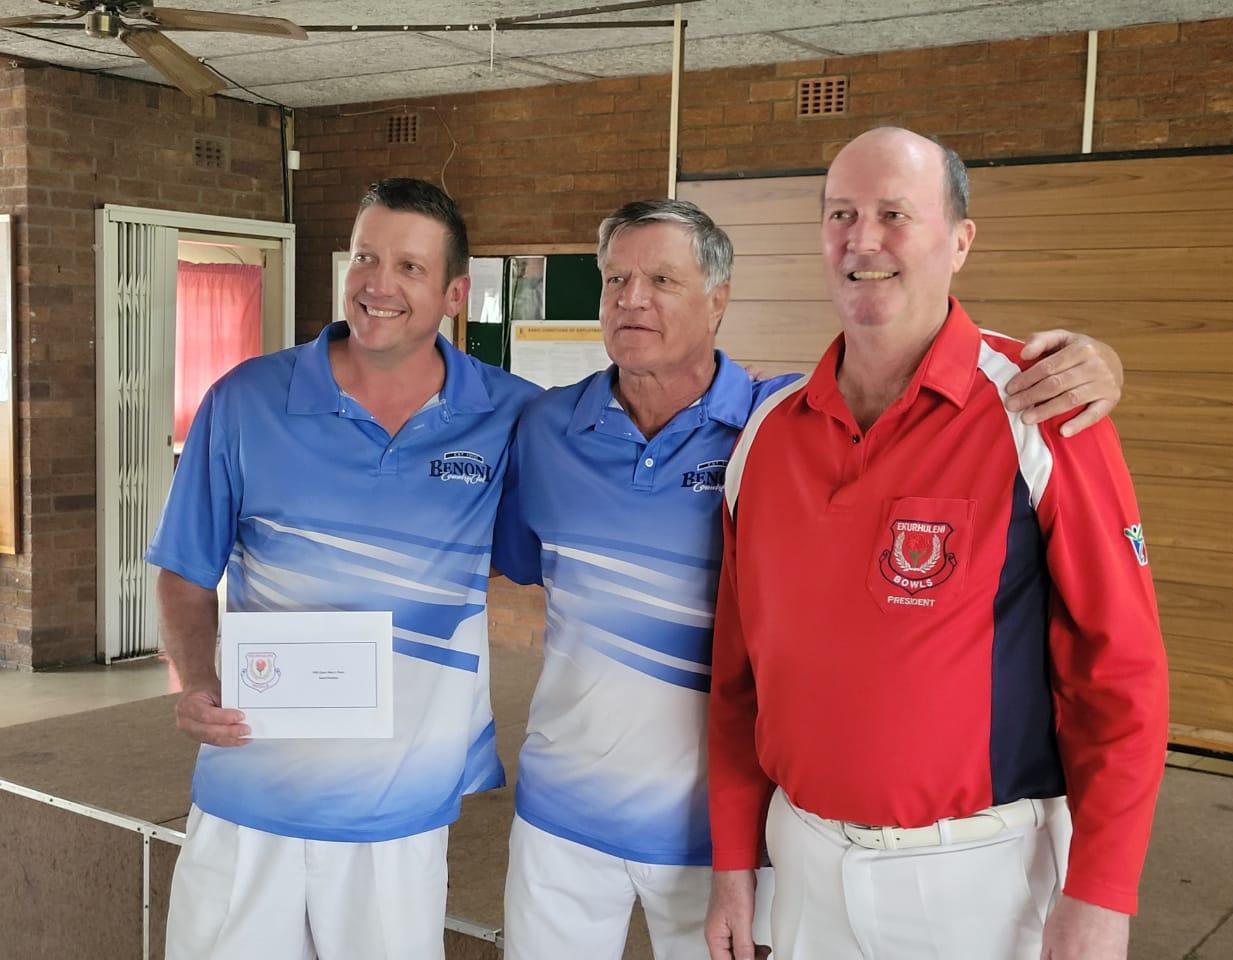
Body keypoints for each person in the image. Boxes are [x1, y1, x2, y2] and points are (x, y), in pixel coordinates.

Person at [493, 198, 1127, 960]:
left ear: (718, 300)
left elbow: (900, 384)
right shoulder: (545, 428)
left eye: (661, 279)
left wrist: (1094, 363)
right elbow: (525, 561)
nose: (632, 299)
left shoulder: (778, 424)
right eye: (615, 280)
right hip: (561, 816)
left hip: (721, 836)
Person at [705, 127, 1168, 960]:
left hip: (979, 881)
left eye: (895, 214)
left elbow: (1120, 671)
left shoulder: (1042, 409)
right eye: (841, 214)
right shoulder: (766, 437)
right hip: (803, 866)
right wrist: (734, 860)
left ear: (959, 242)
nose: (863, 239)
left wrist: (1102, 892)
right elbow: (739, 680)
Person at [147, 178, 540, 960]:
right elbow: (185, 570)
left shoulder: (513, 415)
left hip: (400, 814)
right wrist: (197, 683)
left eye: (409, 266)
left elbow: (534, 552)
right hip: (249, 796)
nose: (377, 284)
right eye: (365, 257)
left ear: (454, 293)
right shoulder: (245, 400)